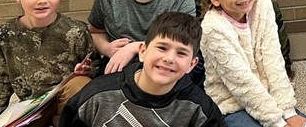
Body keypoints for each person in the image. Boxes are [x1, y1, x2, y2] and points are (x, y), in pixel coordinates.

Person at [0, 0, 93, 127]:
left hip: (68, 102)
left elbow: (96, 70)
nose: (42, 0)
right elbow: (4, 80)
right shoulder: (5, 34)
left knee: (81, 85)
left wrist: (86, 71)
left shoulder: (76, 31)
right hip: (32, 108)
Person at [60, 12, 225, 127]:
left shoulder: (200, 109)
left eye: (181, 53)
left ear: (192, 64)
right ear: (143, 52)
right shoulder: (96, 97)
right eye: (162, 48)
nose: (169, 58)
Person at [199, 0, 303, 127]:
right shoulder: (212, 28)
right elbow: (241, 82)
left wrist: (288, 112)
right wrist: (277, 122)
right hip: (232, 104)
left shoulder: (262, 6)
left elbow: (273, 60)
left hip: (268, 97)